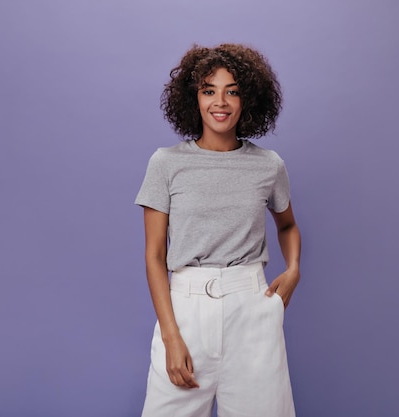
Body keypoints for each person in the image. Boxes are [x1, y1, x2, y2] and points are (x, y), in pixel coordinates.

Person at [135, 43, 301, 417]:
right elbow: (154, 256)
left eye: (232, 91)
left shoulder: (268, 165)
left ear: (248, 100)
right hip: (185, 313)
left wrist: (293, 270)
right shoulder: (166, 164)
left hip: (252, 312)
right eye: (209, 90)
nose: (220, 102)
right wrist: (171, 335)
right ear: (193, 98)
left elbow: (288, 225)